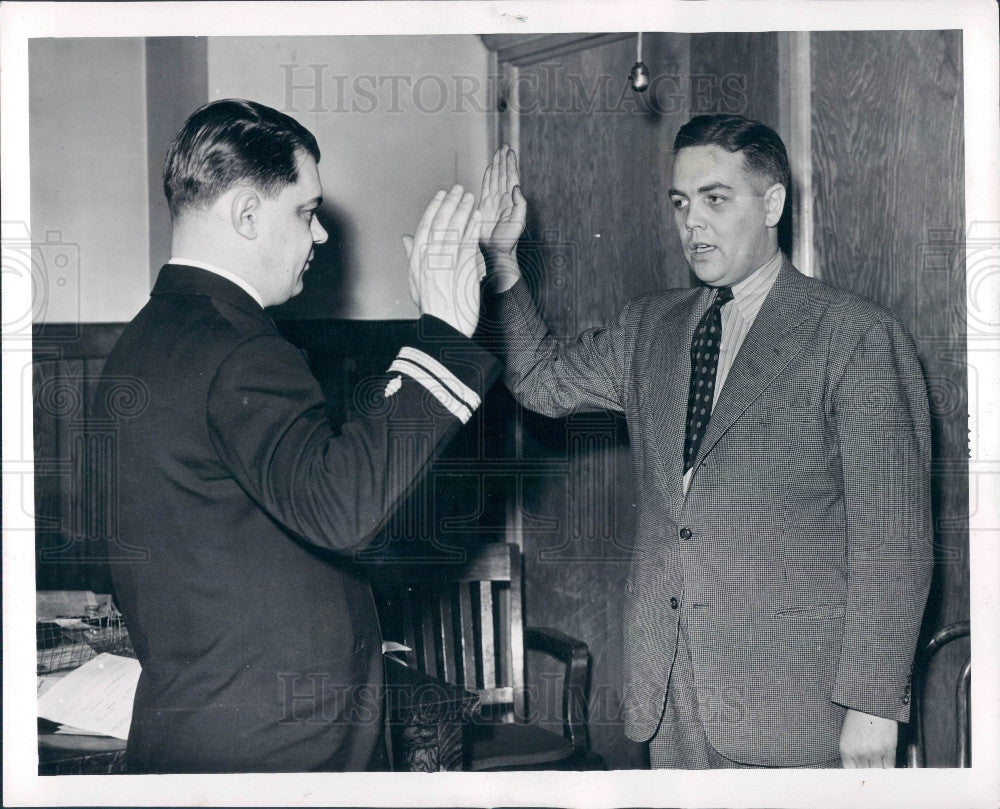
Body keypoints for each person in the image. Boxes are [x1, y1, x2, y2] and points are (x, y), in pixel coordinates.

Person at [476, 114, 933, 769]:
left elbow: (897, 544)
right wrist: (501, 264)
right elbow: (542, 380)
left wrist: (872, 705)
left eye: (716, 200)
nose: (693, 222)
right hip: (670, 698)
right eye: (681, 203)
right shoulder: (651, 327)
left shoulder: (854, 336)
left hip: (797, 706)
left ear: (772, 202)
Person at [96, 99, 495, 772]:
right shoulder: (241, 349)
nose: (321, 238)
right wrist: (445, 338)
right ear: (248, 214)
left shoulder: (145, 341)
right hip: (276, 745)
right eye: (305, 213)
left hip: (200, 723)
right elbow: (343, 509)